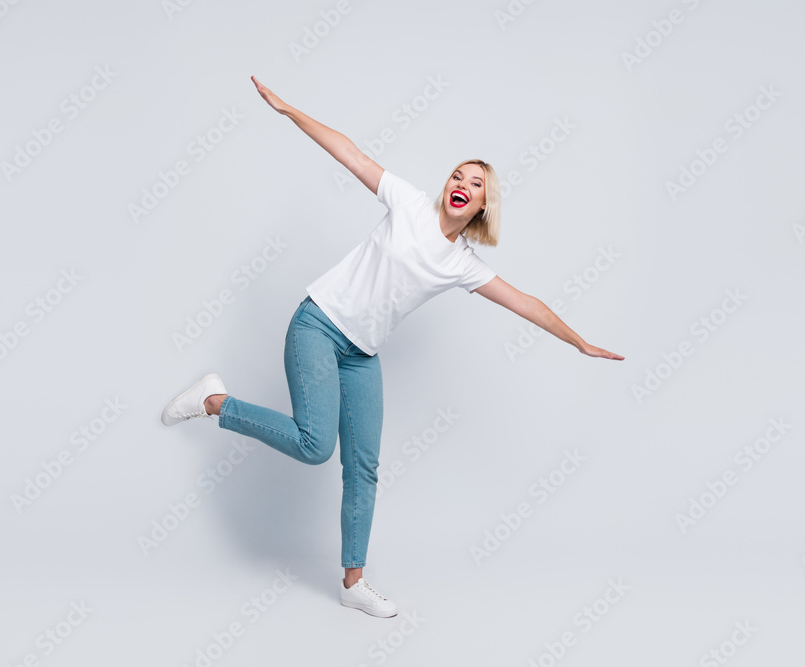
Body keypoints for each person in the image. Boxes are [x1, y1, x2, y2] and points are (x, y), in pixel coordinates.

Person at [160, 75, 624, 618]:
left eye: (474, 183)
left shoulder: (463, 265)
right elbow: (351, 154)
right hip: (317, 324)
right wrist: (289, 110)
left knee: (364, 466)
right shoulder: (408, 204)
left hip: (361, 354)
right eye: (457, 174)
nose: (461, 182)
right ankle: (215, 402)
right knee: (315, 446)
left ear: (480, 206)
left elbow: (525, 302)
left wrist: (580, 343)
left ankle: (353, 582)